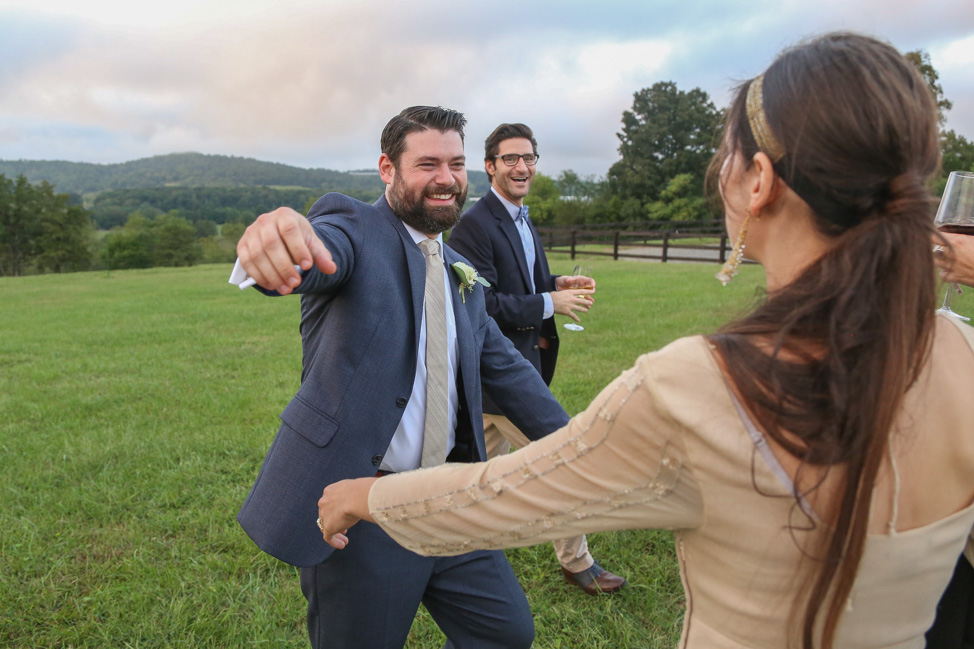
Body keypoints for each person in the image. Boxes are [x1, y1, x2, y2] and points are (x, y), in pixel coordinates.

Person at [314, 34, 974, 649]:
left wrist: (361, 497)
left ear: (760, 181)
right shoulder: (961, 354)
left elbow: (501, 494)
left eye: (727, 153)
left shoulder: (699, 386)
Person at [232, 106, 572, 649]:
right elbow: (323, 250)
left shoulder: (459, 267)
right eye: (428, 164)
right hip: (361, 506)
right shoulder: (356, 229)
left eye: (457, 164)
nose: (446, 178)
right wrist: (285, 235)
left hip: (450, 499)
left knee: (508, 634)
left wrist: (585, 442)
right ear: (388, 169)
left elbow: (504, 366)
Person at [445, 122, 626, 595]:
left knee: (467, 476)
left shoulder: (522, 218)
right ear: (490, 167)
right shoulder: (473, 225)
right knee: (560, 460)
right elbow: (479, 305)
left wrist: (557, 283)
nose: (522, 167)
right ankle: (577, 562)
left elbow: (524, 282)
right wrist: (551, 304)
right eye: (510, 159)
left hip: (513, 373)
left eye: (528, 158)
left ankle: (438, 542)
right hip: (498, 375)